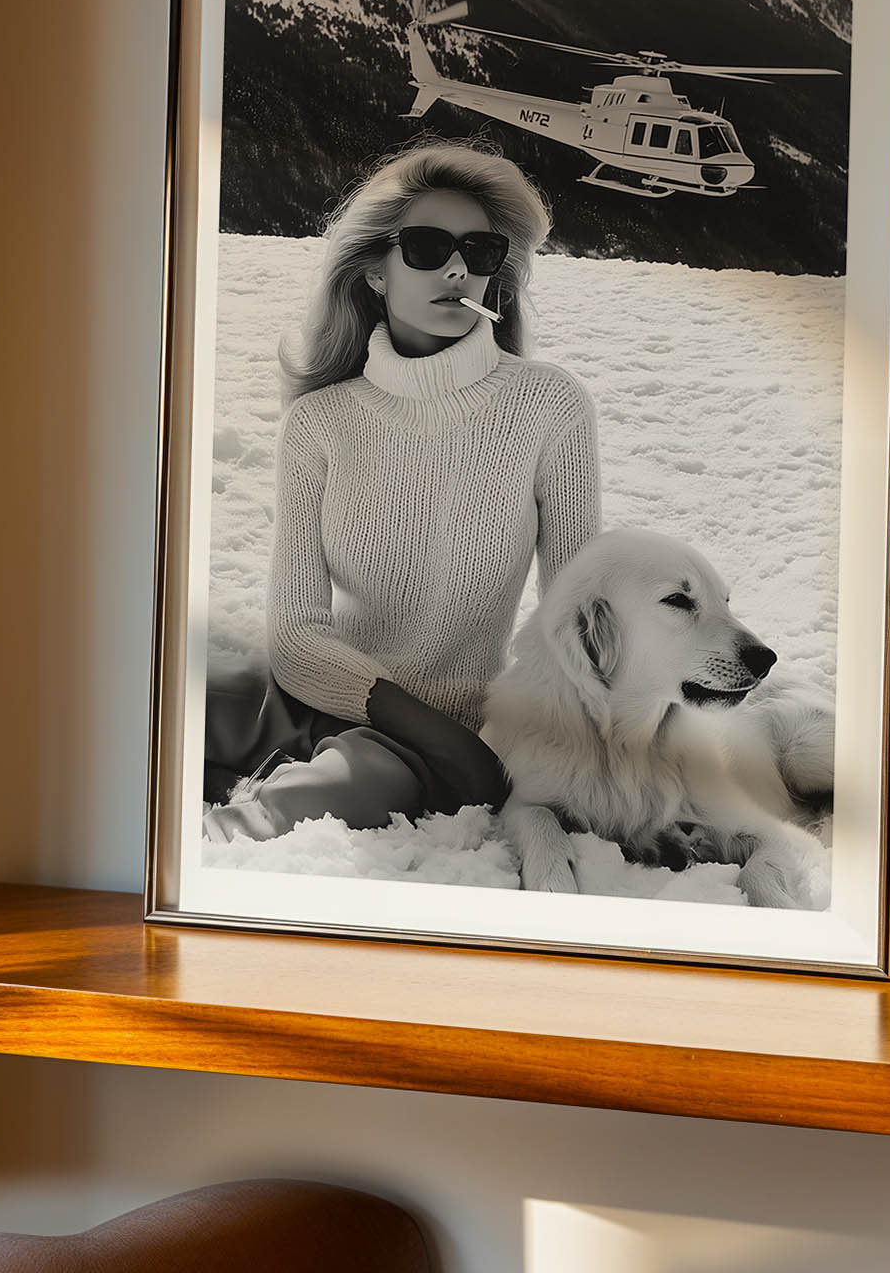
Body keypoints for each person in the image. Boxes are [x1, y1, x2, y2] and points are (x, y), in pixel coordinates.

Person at [203, 143, 601, 843]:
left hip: (421, 744)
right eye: (425, 246)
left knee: (286, 815)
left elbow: (576, 623)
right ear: (374, 274)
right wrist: (399, 710)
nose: (457, 270)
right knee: (121, 699)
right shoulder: (320, 422)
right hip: (313, 697)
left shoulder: (550, 406)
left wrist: (472, 749)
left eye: (479, 251)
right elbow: (296, 634)